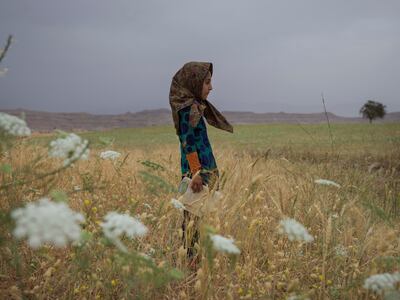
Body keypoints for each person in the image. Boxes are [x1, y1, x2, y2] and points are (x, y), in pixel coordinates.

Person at [169, 62, 233, 263]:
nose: (210, 87)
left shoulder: (194, 107)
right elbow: (187, 141)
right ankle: (189, 260)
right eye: (207, 82)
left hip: (202, 171)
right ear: (194, 83)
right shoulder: (188, 109)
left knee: (196, 219)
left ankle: (193, 259)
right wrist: (196, 173)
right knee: (191, 220)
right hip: (196, 174)